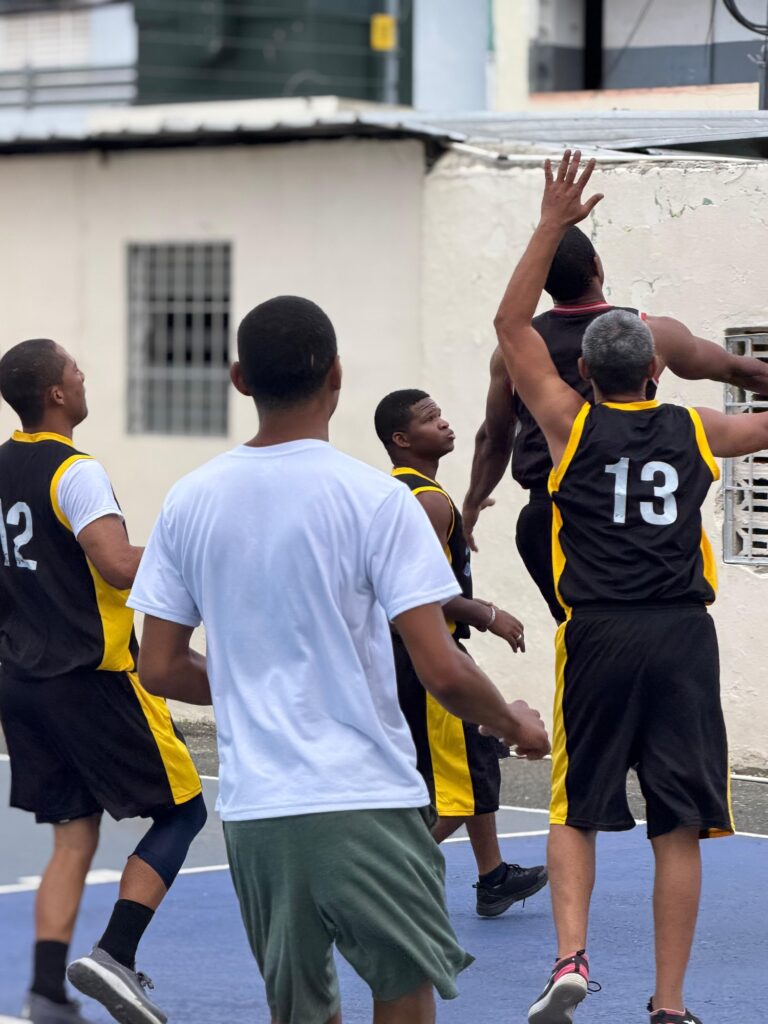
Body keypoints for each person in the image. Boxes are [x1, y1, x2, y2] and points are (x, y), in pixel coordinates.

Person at [126, 295, 551, 1024]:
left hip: (258, 810)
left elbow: (159, 668)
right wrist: (513, 722)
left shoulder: (188, 501)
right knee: (402, 991)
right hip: (364, 796)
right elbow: (441, 668)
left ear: (239, 379)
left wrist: (256, 682)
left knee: (300, 1008)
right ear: (337, 376)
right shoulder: (378, 500)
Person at [493, 150, 768, 1024]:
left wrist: (549, 224)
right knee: (677, 824)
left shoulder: (568, 424)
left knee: (574, 809)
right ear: (655, 372)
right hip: (682, 636)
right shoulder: (696, 426)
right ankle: (671, 1005)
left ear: (584, 374)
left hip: (598, 634)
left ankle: (571, 957)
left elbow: (510, 325)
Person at [0, 339, 206, 1024]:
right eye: (75, 371)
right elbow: (118, 564)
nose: (84, 377)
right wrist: (199, 554)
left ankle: (46, 992)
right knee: (183, 811)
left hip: (22, 680)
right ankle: (116, 954)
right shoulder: (76, 471)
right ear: (56, 394)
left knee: (72, 834)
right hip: (91, 677)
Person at [463, 214, 768, 624]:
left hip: (548, 513)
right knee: (657, 618)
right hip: (638, 503)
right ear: (597, 265)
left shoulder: (515, 352)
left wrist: (473, 501)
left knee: (584, 630)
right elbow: (740, 371)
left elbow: (495, 436)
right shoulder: (651, 333)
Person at [374, 388, 548, 917]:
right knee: (461, 785)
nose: (445, 424)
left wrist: (464, 521)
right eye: (431, 420)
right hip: (428, 651)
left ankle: (493, 877)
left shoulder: (408, 492)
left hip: (412, 650)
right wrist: (489, 615)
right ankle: (380, 884)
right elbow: (420, 592)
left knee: (473, 763)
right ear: (402, 439)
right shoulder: (425, 500)